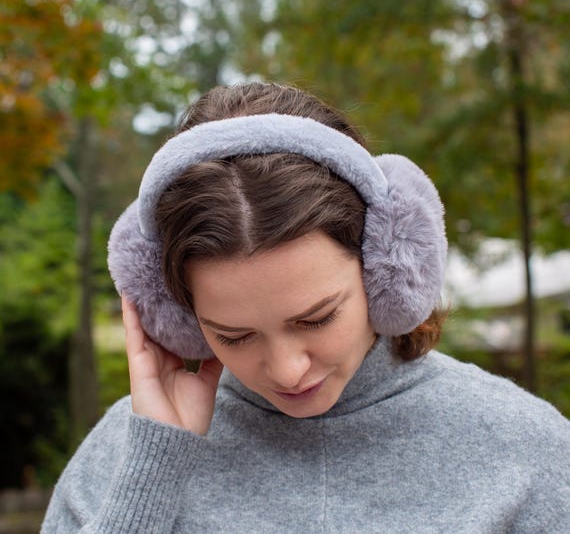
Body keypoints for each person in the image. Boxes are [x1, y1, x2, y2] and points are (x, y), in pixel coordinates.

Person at [42, 83, 570, 533]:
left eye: (316, 318)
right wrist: (152, 473)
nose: (288, 370)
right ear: (179, 317)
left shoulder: (524, 449)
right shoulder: (123, 455)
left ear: (386, 266)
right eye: (234, 335)